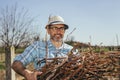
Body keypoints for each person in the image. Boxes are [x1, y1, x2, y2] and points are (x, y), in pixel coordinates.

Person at [12, 15, 74, 80]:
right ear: (48, 30)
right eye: (55, 28)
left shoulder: (72, 51)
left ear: (64, 31)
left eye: (61, 28)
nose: (58, 31)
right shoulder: (37, 47)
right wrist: (27, 73)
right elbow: (16, 63)